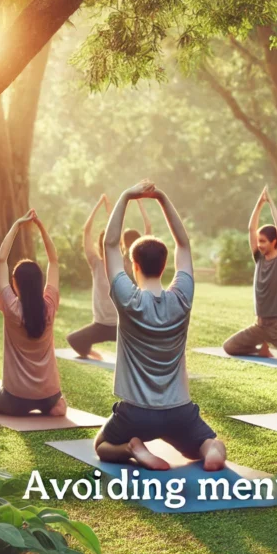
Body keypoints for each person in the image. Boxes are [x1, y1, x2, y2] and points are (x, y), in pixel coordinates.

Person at [93, 181, 227, 471]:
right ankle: (212, 448)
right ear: (165, 266)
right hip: (179, 411)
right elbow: (184, 244)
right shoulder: (182, 298)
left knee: (101, 446)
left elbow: (110, 243)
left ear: (135, 266)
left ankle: (131, 448)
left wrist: (127, 195)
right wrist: (163, 198)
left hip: (136, 414)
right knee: (203, 445)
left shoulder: (129, 300)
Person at [0, 210, 68, 417]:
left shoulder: (12, 308)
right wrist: (41, 227)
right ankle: (52, 405)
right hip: (49, 395)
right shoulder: (49, 306)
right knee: (58, 407)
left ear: (15, 283)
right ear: (40, 282)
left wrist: (16, 225)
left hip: (17, 399)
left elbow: (0, 259)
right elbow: (53, 261)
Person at [221, 186, 277, 362]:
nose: (259, 245)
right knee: (229, 347)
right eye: (259, 241)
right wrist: (259, 204)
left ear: (274, 242)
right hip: (260, 324)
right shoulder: (259, 258)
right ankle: (262, 346)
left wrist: (271, 203)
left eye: (263, 241)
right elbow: (251, 229)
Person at [66, 194, 119, 360]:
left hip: (122, 326)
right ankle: (93, 352)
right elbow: (87, 231)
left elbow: (117, 233)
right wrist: (98, 205)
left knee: (145, 344)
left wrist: (112, 213)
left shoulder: (122, 263)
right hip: (101, 325)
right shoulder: (96, 263)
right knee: (73, 340)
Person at [121, 200, 152, 284]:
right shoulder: (141, 253)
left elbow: (120, 225)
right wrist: (140, 203)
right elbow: (148, 226)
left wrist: (125, 206)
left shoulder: (123, 256)